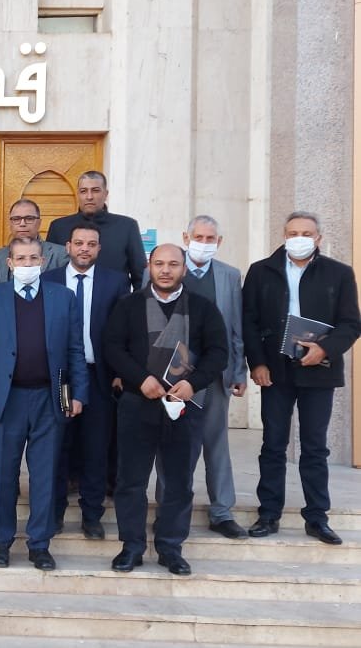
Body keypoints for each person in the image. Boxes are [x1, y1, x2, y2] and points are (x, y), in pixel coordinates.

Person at [104, 244, 228, 575]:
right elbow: (113, 347)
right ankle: (131, 547)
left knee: (178, 481)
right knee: (131, 481)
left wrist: (193, 383)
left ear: (184, 269)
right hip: (137, 403)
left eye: (173, 264)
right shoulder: (128, 305)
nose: (165, 270)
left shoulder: (203, 308)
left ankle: (170, 547)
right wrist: (140, 378)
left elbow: (218, 352)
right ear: (149, 266)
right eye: (159, 263)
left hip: (183, 405)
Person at [242, 211, 361, 545]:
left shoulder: (339, 273)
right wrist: (257, 363)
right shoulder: (261, 271)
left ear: (318, 238)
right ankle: (269, 514)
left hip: (319, 370)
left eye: (306, 233)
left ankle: (317, 517)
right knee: (273, 444)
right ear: (284, 235)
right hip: (275, 370)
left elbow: (351, 324)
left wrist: (325, 349)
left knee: (314, 447)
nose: (299, 238)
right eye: (293, 232)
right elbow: (248, 321)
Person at [0, 236, 88, 571]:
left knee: (44, 476)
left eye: (33, 258)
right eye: (21, 258)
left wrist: (78, 393)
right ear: (9, 263)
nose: (27, 264)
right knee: (4, 475)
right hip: (6, 400)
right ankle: (0, 542)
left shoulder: (63, 298)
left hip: (48, 400)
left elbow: (75, 349)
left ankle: (39, 544)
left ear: (42, 262)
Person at [155, 215, 248, 540]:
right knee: (170, 444)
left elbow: (235, 326)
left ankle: (222, 511)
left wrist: (239, 370)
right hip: (170, 374)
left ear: (218, 242)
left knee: (215, 443)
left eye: (210, 239)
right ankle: (166, 508)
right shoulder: (164, 270)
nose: (204, 244)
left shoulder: (229, 275)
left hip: (214, 373)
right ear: (186, 237)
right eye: (198, 237)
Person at [40, 222, 128, 539]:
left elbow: (123, 331)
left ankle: (92, 515)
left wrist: (120, 373)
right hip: (58, 377)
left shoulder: (116, 282)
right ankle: (54, 513)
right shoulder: (48, 279)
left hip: (99, 376)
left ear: (99, 249)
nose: (84, 249)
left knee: (96, 449)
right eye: (79, 243)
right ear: (68, 247)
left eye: (91, 244)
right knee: (57, 447)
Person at [45, 171, 146, 290]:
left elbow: (140, 276)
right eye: (83, 191)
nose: (89, 197)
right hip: (66, 299)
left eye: (95, 190)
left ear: (106, 194)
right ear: (78, 194)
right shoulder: (59, 227)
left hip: (116, 300)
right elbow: (50, 271)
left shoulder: (127, 226)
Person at [0, 199, 68, 282]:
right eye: (16, 219)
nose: (22, 224)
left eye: (29, 218)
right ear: (10, 223)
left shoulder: (61, 254)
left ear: (39, 223)